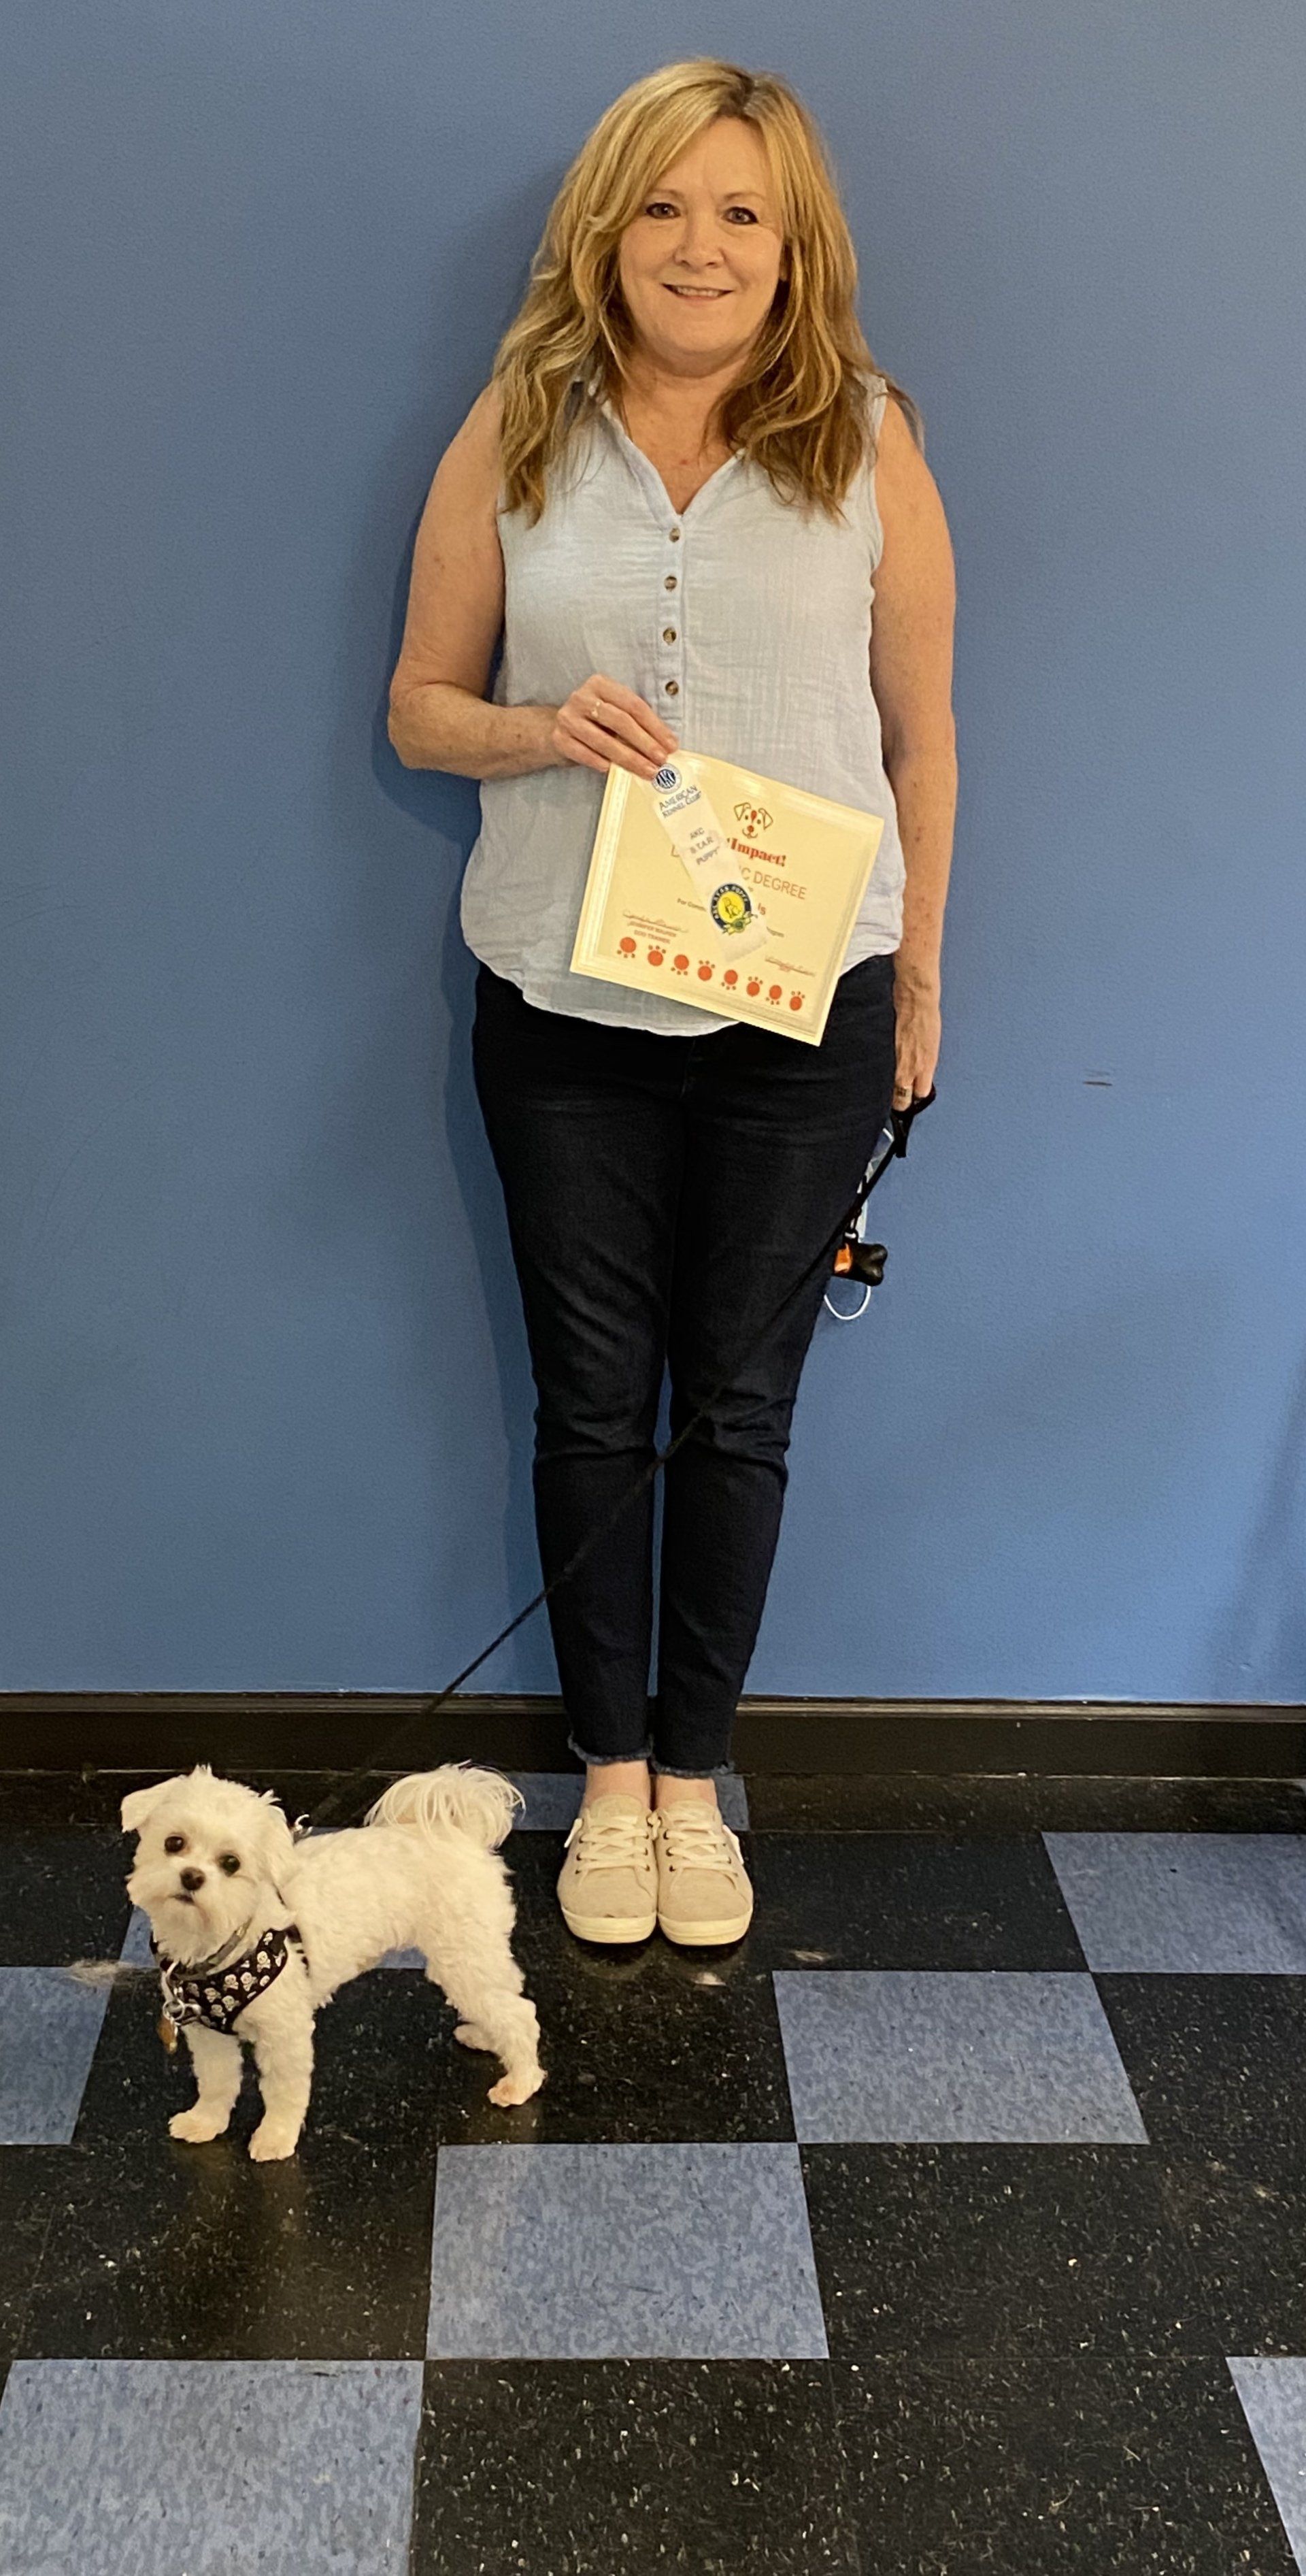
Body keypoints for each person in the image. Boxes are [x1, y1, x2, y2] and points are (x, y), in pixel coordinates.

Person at [388, 58, 957, 1949]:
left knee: (737, 1408)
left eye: (741, 213)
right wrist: (542, 727)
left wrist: (924, 971)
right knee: (585, 1403)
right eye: (663, 205)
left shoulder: (867, 436)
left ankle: (696, 1776)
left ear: (794, 251)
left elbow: (921, 732)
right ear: (606, 231)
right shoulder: (513, 432)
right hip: (559, 995)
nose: (699, 246)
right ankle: (608, 1781)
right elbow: (414, 708)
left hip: (806, 1014)